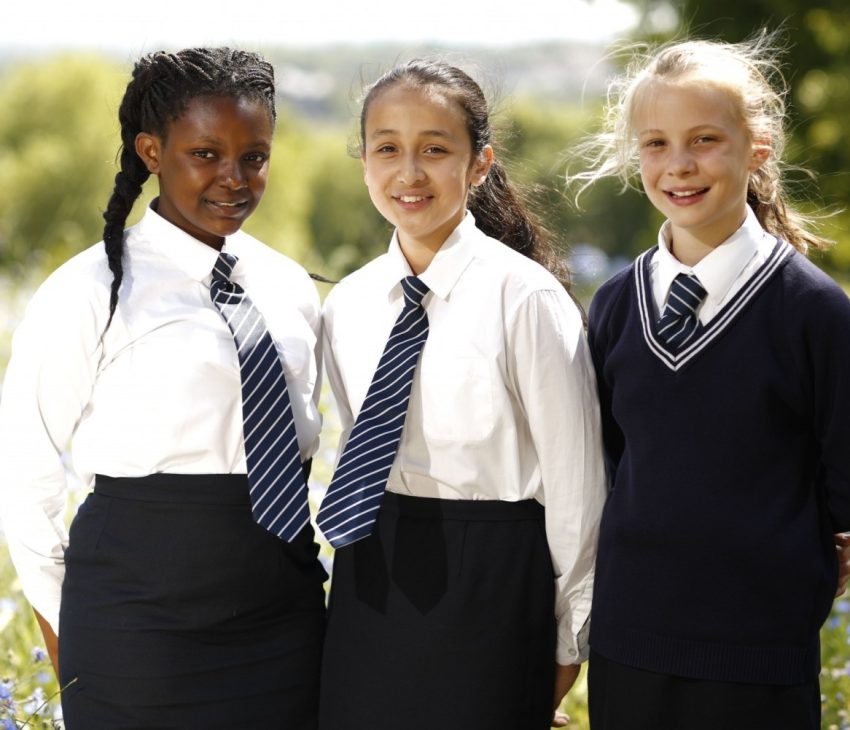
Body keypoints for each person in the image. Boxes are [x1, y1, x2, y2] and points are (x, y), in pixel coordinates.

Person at [0, 47, 326, 728]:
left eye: (254, 157)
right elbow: (24, 479)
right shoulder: (89, 292)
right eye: (205, 155)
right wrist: (73, 629)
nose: (234, 179)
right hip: (134, 630)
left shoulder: (290, 285)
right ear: (152, 150)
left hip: (284, 621)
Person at [570, 32, 850, 729]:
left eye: (704, 140)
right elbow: (600, 467)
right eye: (656, 144)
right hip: (629, 643)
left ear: (757, 148)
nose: (680, 166)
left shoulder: (812, 310)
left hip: (758, 654)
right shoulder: (613, 305)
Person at [316, 59, 606, 730]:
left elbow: (578, 490)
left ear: (479, 164)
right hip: (370, 580)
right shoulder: (349, 306)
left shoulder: (526, 300)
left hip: (494, 585)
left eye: (435, 150)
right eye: (387, 148)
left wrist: (569, 642)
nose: (409, 173)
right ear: (364, 161)